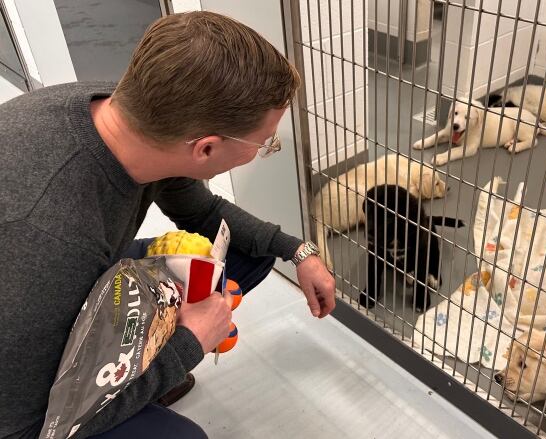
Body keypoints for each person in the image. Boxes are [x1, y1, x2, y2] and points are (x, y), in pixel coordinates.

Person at [0, 11, 336, 439]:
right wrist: (186, 345)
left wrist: (297, 251)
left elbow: (205, 214)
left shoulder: (129, 115)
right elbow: (30, 428)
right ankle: (141, 382)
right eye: (264, 143)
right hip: (18, 402)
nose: (265, 149)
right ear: (206, 148)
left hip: (60, 281)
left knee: (242, 254)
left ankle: (143, 375)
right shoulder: (47, 235)